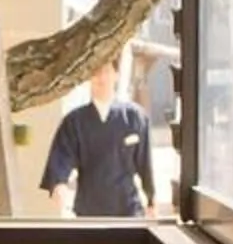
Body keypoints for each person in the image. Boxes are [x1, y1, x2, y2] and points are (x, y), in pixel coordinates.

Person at [43, 57, 154, 218]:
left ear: (116, 75)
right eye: (95, 73)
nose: (101, 78)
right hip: (89, 209)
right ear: (88, 77)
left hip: (127, 208)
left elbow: (146, 163)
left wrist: (152, 200)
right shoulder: (74, 121)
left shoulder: (135, 117)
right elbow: (62, 157)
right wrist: (59, 184)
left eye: (106, 71)